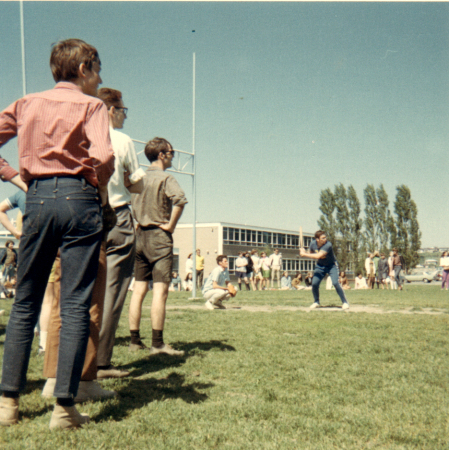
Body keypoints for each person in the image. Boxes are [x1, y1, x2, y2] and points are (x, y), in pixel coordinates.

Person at [0, 38, 115, 429]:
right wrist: (98, 190)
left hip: (37, 199)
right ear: (84, 68)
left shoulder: (26, 103)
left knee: (26, 302)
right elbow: (103, 157)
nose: (99, 78)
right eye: (97, 70)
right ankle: (64, 408)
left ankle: (8, 405)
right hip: (79, 198)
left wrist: (16, 178)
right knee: (75, 303)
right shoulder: (93, 105)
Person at [96, 87, 145, 378]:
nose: (124, 115)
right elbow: (137, 184)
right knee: (113, 291)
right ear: (111, 110)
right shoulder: (122, 140)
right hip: (118, 216)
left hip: (87, 215)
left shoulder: (80, 135)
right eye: (123, 110)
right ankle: (101, 362)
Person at [128, 137, 187, 355]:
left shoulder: (138, 178)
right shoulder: (166, 178)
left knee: (138, 290)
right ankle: (158, 344)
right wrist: (170, 226)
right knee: (160, 291)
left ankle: (134, 340)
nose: (172, 156)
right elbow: (180, 200)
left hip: (139, 236)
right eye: (171, 152)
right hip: (159, 238)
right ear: (161, 155)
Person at [299, 230, 349, 310]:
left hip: (331, 265)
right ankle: (316, 302)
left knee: (335, 283)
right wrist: (304, 251)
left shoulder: (328, 245)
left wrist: (305, 254)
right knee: (314, 283)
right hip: (320, 266)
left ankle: (345, 302)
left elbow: (318, 256)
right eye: (323, 238)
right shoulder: (313, 244)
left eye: (325, 237)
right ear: (317, 239)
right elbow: (311, 253)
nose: (325, 239)